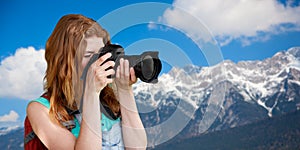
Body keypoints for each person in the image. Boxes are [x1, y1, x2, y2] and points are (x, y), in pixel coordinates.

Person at [25, 14, 147, 149]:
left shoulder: (109, 101)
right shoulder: (41, 109)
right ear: (65, 61)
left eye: (101, 54)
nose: (98, 61)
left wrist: (125, 90)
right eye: (88, 55)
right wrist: (91, 93)